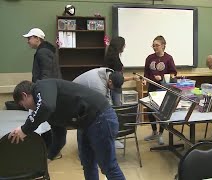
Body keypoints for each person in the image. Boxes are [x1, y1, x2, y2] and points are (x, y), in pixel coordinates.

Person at [9, 79, 126, 180]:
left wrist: (24, 130)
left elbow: (46, 106)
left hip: (100, 116)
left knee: (108, 166)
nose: (26, 108)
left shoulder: (42, 86)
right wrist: (48, 158)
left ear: (25, 95)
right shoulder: (49, 111)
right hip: (86, 123)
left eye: (23, 104)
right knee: (88, 163)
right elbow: (59, 138)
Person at [22, 27, 66, 161]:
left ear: (38, 38)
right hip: (52, 92)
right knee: (52, 122)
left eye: (29, 38)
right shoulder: (47, 51)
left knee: (47, 122)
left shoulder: (42, 53)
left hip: (46, 93)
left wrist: (40, 93)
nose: (28, 41)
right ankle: (53, 149)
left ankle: (52, 150)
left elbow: (46, 75)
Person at [73, 67, 125, 148]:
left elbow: (107, 95)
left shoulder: (108, 73)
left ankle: (107, 139)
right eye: (114, 88)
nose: (114, 90)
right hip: (75, 98)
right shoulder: (98, 87)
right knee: (93, 119)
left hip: (85, 93)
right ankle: (88, 147)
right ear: (110, 82)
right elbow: (101, 107)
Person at [143, 35, 177, 145]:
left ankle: (161, 134)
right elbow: (146, 72)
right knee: (150, 110)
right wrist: (145, 80)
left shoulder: (168, 58)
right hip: (152, 87)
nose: (154, 47)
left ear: (163, 46)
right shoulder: (149, 58)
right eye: (153, 45)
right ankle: (154, 132)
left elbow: (173, 73)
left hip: (163, 88)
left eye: (157, 45)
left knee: (162, 112)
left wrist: (162, 78)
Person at [104, 36, 135, 106]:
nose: (125, 46)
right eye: (123, 44)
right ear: (119, 46)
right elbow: (118, 79)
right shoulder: (115, 61)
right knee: (118, 109)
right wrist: (133, 78)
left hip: (111, 89)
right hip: (115, 90)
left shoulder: (110, 57)